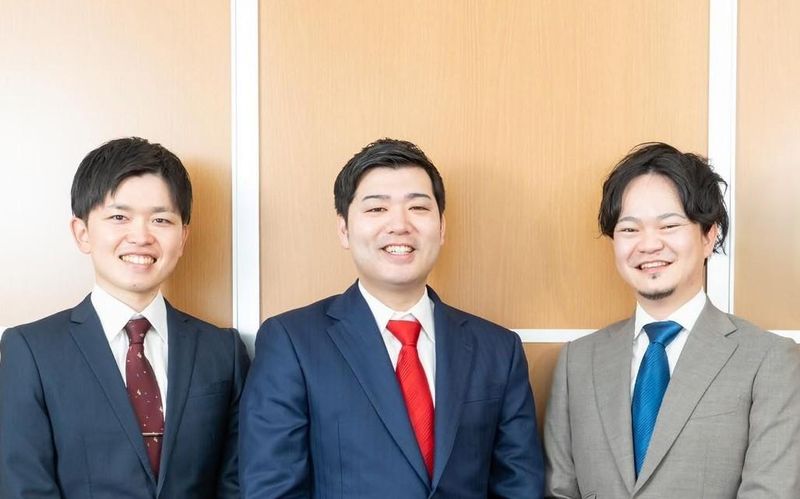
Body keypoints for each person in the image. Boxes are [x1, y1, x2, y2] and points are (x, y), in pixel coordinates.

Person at [240, 138, 544, 498]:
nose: (399, 225)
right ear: (344, 229)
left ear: (442, 227)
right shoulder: (292, 341)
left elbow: (519, 486)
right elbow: (272, 488)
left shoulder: (498, 349)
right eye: (376, 208)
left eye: (418, 207)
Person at [544, 142, 800, 498]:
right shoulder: (578, 361)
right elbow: (559, 490)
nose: (648, 245)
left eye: (669, 225)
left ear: (709, 235)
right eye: (629, 229)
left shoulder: (770, 360)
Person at [0, 137, 250, 499]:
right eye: (119, 217)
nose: (141, 236)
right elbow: (24, 486)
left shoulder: (222, 350)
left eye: (161, 219)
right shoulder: (30, 350)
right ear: (82, 233)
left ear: (182, 238)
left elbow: (236, 483)